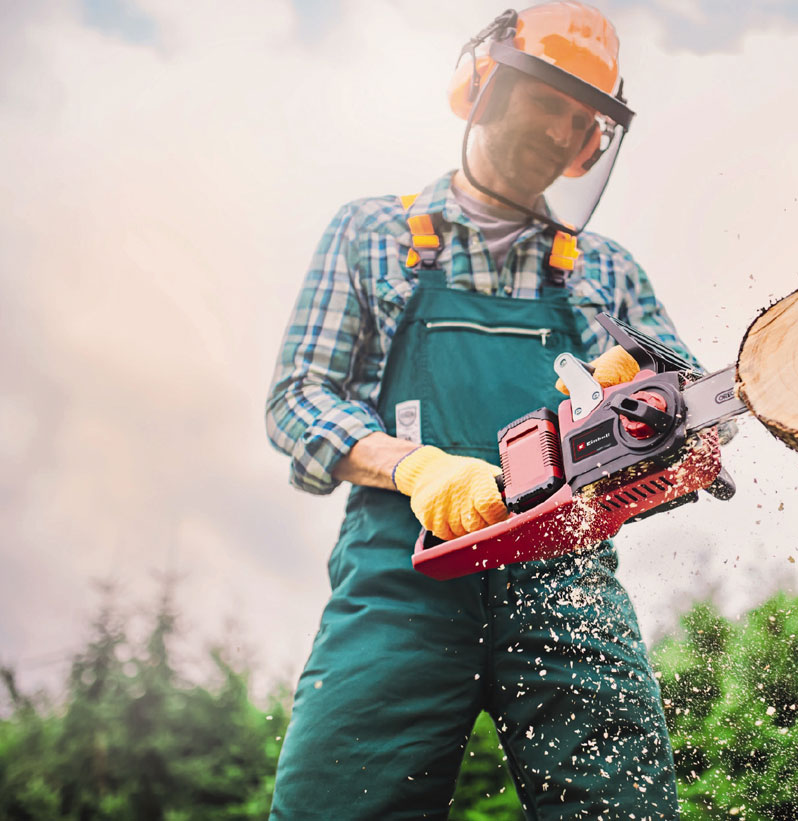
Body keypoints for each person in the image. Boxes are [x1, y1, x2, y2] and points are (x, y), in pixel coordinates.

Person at [265, 3, 706, 817]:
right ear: (483, 86)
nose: (561, 134)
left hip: (564, 574)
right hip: (403, 574)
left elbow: (681, 395)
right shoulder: (373, 233)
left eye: (585, 123)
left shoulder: (605, 269)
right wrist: (419, 467)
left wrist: (645, 404)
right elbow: (299, 399)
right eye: (549, 100)